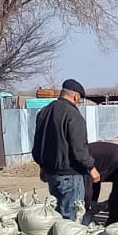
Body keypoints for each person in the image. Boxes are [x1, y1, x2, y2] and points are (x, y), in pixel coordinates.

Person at [32, 79, 99, 220]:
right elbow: (79, 148)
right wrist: (91, 167)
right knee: (71, 220)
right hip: (70, 175)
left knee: (57, 215)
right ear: (76, 96)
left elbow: (38, 145)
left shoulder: (44, 112)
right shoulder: (72, 115)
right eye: (79, 100)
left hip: (51, 174)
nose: (78, 103)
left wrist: (42, 167)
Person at [85, 141, 118, 225]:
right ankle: (112, 221)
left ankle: (113, 224)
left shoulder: (81, 159)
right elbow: (93, 184)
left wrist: (87, 207)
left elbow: (88, 189)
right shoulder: (84, 155)